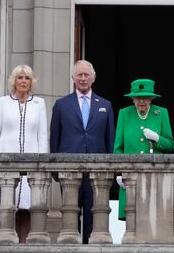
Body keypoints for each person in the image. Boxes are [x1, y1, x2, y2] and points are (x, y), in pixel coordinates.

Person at [50, 60, 115, 244]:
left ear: (93, 78)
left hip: (97, 172)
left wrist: (110, 167)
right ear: (73, 78)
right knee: (70, 215)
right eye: (80, 75)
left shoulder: (105, 105)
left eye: (87, 75)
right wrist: (54, 167)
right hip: (69, 170)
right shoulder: (61, 105)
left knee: (94, 215)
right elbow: (54, 137)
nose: (83, 78)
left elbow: (109, 139)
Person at [0, 64, 48, 243]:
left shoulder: (39, 104)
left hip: (31, 165)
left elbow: (42, 137)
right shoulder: (2, 102)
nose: (23, 81)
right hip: (5, 163)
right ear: (14, 81)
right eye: (20, 77)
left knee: (27, 209)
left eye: (27, 78)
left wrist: (42, 165)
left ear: (31, 82)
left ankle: (24, 245)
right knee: (5, 208)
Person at [114, 79, 174, 220]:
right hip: (130, 175)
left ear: (151, 98)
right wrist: (118, 172)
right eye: (138, 98)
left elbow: (170, 145)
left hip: (155, 174)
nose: (141, 101)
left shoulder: (161, 113)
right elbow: (118, 148)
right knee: (132, 216)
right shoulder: (124, 114)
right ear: (132, 99)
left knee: (154, 217)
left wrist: (157, 138)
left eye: (145, 98)